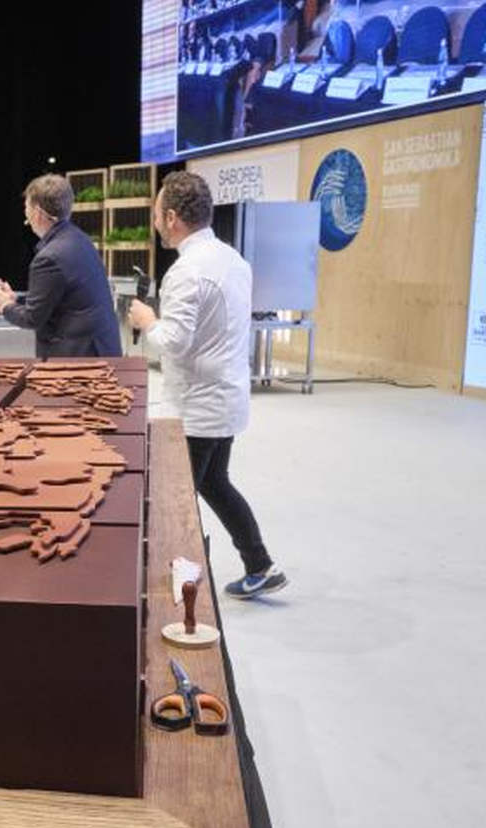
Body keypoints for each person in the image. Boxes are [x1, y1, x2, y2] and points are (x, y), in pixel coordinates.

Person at [128, 171, 287, 600]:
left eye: (158, 214)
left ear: (173, 217)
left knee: (174, 504)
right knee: (215, 482)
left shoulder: (186, 272)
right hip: (226, 399)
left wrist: (147, 321)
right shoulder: (234, 260)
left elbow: (173, 344)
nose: (156, 222)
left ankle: (181, 594)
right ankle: (259, 563)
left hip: (196, 410)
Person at [0, 174, 122, 359]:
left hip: (77, 361)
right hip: (101, 350)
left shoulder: (49, 258)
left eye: (26, 208)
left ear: (37, 212)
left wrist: (4, 305)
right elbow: (63, 297)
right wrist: (17, 298)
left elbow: (32, 318)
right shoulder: (81, 239)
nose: (26, 216)